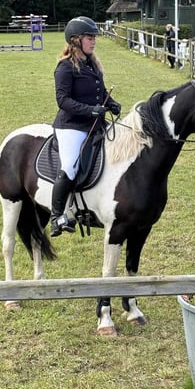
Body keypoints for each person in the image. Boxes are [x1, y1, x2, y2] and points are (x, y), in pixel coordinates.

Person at [50, 16, 121, 237]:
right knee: (70, 167)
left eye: (94, 38)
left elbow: (98, 93)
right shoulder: (65, 67)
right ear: (75, 40)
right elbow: (62, 100)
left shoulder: (92, 64)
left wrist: (110, 103)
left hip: (95, 124)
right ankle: (56, 217)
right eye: (89, 38)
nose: (94, 41)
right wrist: (90, 110)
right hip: (71, 126)